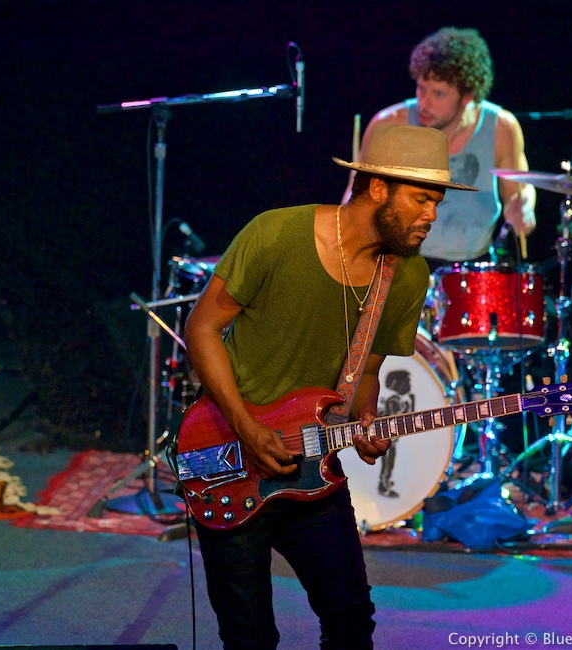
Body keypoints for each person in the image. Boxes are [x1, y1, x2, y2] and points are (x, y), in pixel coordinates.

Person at [182, 124, 478, 650]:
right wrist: (248, 428)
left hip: (314, 466)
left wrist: (368, 419)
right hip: (229, 451)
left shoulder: (407, 277)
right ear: (379, 189)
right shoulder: (275, 234)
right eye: (422, 199)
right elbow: (202, 327)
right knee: (248, 636)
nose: (432, 216)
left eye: (437, 202)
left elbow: (366, 369)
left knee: (350, 619)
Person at [346, 26, 537, 270]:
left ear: (467, 95)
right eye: (421, 89)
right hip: (401, 265)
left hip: (473, 268)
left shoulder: (501, 127)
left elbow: (516, 193)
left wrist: (525, 210)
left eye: (438, 94)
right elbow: (357, 201)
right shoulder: (390, 124)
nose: (424, 103)